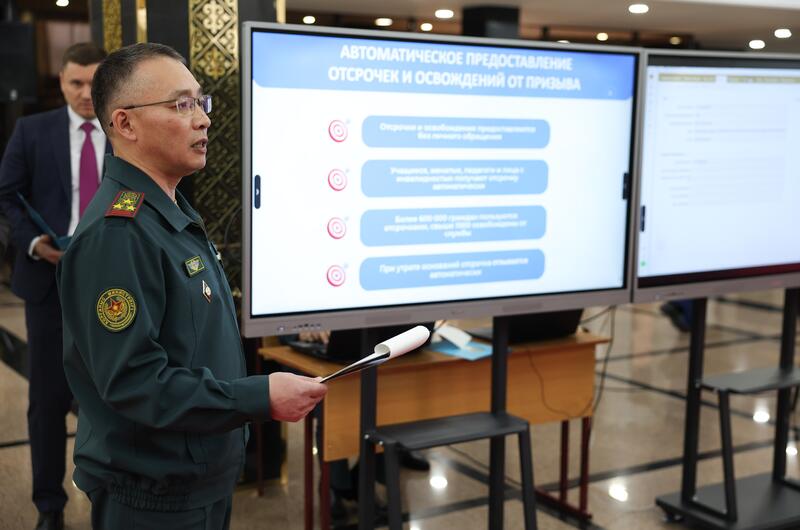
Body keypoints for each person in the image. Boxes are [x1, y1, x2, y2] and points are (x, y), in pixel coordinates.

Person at [56, 42, 327, 529]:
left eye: (201, 102)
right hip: (154, 496)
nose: (202, 119)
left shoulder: (169, 211)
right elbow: (135, 382)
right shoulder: (118, 235)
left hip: (197, 475)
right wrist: (258, 397)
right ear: (125, 124)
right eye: (181, 105)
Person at [0, 42, 108, 530]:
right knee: (46, 401)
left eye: (94, 83)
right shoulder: (32, 130)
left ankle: (109, 497)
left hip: (112, 283)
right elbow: (7, 194)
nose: (85, 93)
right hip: (48, 283)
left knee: (109, 397)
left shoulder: (125, 127)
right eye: (76, 83)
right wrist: (33, 242)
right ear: (61, 81)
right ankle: (49, 507)